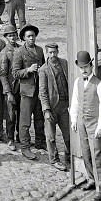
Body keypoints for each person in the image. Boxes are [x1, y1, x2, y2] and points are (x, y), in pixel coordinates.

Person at [70, 50, 101, 201]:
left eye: (86, 67)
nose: (84, 70)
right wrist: (74, 119)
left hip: (94, 123)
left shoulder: (100, 85)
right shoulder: (77, 82)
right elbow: (75, 102)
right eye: (81, 67)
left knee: (97, 154)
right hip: (81, 121)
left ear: (91, 66)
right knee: (86, 151)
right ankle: (91, 180)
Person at [12, 24, 46, 159]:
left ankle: (40, 142)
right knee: (25, 121)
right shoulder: (19, 52)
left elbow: (43, 67)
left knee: (39, 118)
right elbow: (15, 73)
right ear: (24, 38)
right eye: (29, 36)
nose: (32, 38)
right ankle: (25, 147)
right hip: (26, 91)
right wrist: (28, 70)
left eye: (33, 36)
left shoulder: (40, 50)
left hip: (39, 90)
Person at [37, 43, 70, 171]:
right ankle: (54, 159)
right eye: (50, 53)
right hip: (51, 107)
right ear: (46, 53)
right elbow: (42, 91)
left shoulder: (64, 63)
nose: (53, 55)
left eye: (54, 52)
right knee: (50, 137)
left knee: (68, 135)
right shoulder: (43, 70)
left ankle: (69, 157)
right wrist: (46, 109)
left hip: (64, 106)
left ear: (58, 51)